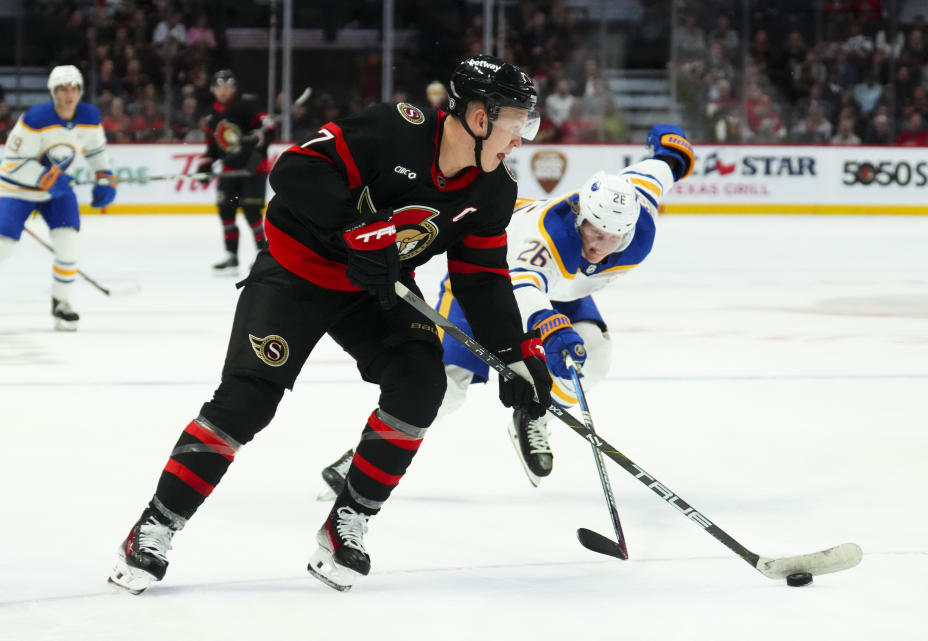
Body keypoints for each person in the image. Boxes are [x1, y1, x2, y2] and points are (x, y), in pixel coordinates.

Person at [108, 54, 553, 595]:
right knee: (246, 402)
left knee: (421, 385)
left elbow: (481, 278)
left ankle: (348, 522)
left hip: (375, 290)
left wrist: (514, 354)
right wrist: (352, 231)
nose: (520, 140)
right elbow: (294, 170)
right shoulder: (394, 129)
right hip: (296, 272)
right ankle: (154, 526)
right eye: (516, 125)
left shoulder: (493, 191)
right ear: (480, 119)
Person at [319, 124, 694, 491]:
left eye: (613, 238)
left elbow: (659, 168)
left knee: (594, 356)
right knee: (443, 387)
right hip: (489, 284)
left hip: (559, 291)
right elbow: (525, 284)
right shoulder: (546, 234)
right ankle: (361, 458)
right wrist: (550, 326)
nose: (600, 246)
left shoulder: (638, 212)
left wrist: (672, 152)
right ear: (580, 215)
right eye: (594, 232)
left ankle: (532, 414)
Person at [0, 65, 117, 331]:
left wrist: (104, 177)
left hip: (57, 191)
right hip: (17, 189)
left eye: (74, 88)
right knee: (2, 246)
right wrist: (50, 178)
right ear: (53, 92)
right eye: (63, 88)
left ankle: (61, 303)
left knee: (68, 243)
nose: (69, 94)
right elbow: (13, 164)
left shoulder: (89, 116)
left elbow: (97, 151)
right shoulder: (35, 119)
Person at [197, 70, 275, 273]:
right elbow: (212, 147)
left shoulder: (247, 107)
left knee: (251, 211)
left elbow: (268, 130)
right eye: (220, 88)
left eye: (228, 87)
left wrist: (261, 135)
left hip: (252, 171)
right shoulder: (211, 115)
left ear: (234, 89)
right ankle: (231, 255)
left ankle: (262, 254)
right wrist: (206, 165)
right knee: (226, 210)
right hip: (229, 172)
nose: (224, 91)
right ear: (214, 90)